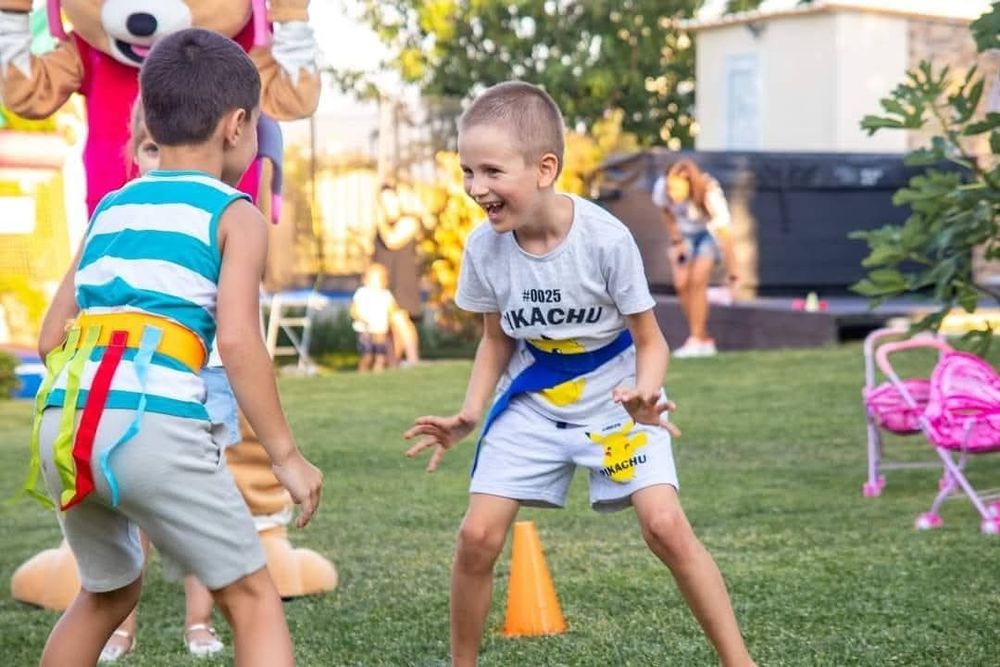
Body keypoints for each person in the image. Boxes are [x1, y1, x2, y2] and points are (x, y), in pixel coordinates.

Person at [404, 81, 754, 667]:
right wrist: (470, 412)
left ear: (544, 168)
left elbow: (651, 339)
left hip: (618, 399)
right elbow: (496, 340)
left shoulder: (605, 240)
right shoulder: (484, 250)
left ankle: (738, 661)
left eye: (491, 171)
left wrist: (644, 394)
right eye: (467, 171)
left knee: (664, 526)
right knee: (477, 538)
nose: (475, 188)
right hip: (534, 400)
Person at [28, 28, 322, 667]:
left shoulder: (110, 208)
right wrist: (286, 458)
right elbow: (241, 342)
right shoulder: (234, 215)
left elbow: (51, 337)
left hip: (65, 425)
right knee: (251, 597)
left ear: (152, 120)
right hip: (151, 427)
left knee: (106, 594)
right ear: (237, 124)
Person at [93, 98, 243, 662]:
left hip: (204, 378)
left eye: (168, 146)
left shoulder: (225, 217)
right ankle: (120, 627)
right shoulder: (119, 217)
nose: (162, 159)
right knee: (132, 508)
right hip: (134, 382)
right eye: (150, 148)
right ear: (134, 153)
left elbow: (234, 329)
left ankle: (198, 622)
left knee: (202, 505)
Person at [651, 159, 738, 358]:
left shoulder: (708, 191)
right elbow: (666, 212)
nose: (672, 194)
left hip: (709, 235)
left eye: (677, 189)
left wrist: (734, 274)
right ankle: (703, 339)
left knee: (698, 279)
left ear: (689, 182)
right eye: (670, 188)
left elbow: (726, 233)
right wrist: (676, 240)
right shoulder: (662, 188)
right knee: (682, 283)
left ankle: (696, 339)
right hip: (684, 237)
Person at [351, 262, 397, 373]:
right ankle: (362, 372)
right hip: (365, 328)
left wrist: (392, 320)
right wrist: (360, 317)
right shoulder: (362, 293)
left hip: (380, 328)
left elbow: (392, 309)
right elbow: (354, 309)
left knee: (380, 354)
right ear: (365, 279)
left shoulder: (385, 294)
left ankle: (378, 373)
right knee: (367, 354)